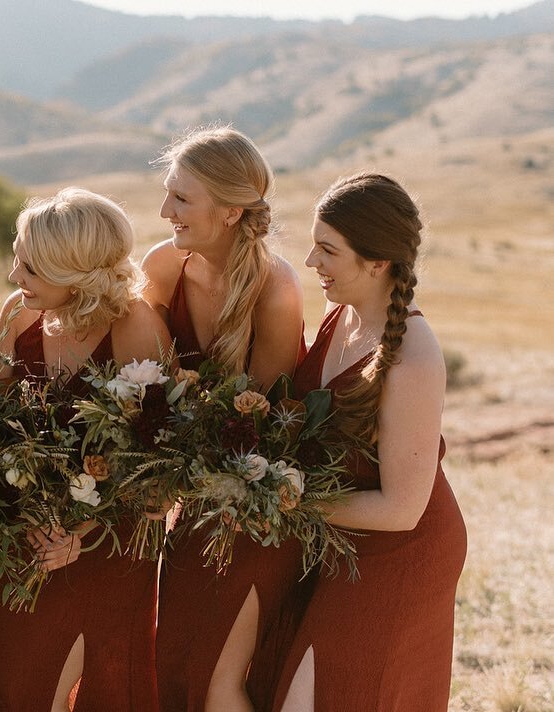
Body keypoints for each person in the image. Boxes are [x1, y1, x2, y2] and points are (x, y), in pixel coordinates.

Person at [273, 174, 467, 711]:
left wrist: (284, 501)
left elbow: (403, 509)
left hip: (399, 552)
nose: (312, 262)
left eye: (328, 249)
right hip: (340, 534)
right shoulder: (342, 314)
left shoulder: (413, 355)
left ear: (378, 262)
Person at [140, 126, 304, 711]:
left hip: (252, 504)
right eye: (168, 193)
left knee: (217, 677)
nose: (165, 211)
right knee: (173, 661)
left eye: (181, 198)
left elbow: (262, 425)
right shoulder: (164, 266)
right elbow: (144, 384)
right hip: (189, 502)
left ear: (232, 210)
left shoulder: (275, 290)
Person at [0, 187, 171, 712]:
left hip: (110, 544)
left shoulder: (134, 327)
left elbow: (158, 461)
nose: (14, 278)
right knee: (18, 687)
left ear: (75, 271)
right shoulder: (20, 315)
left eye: (30, 267)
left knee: (102, 687)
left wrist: (79, 532)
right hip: (29, 538)